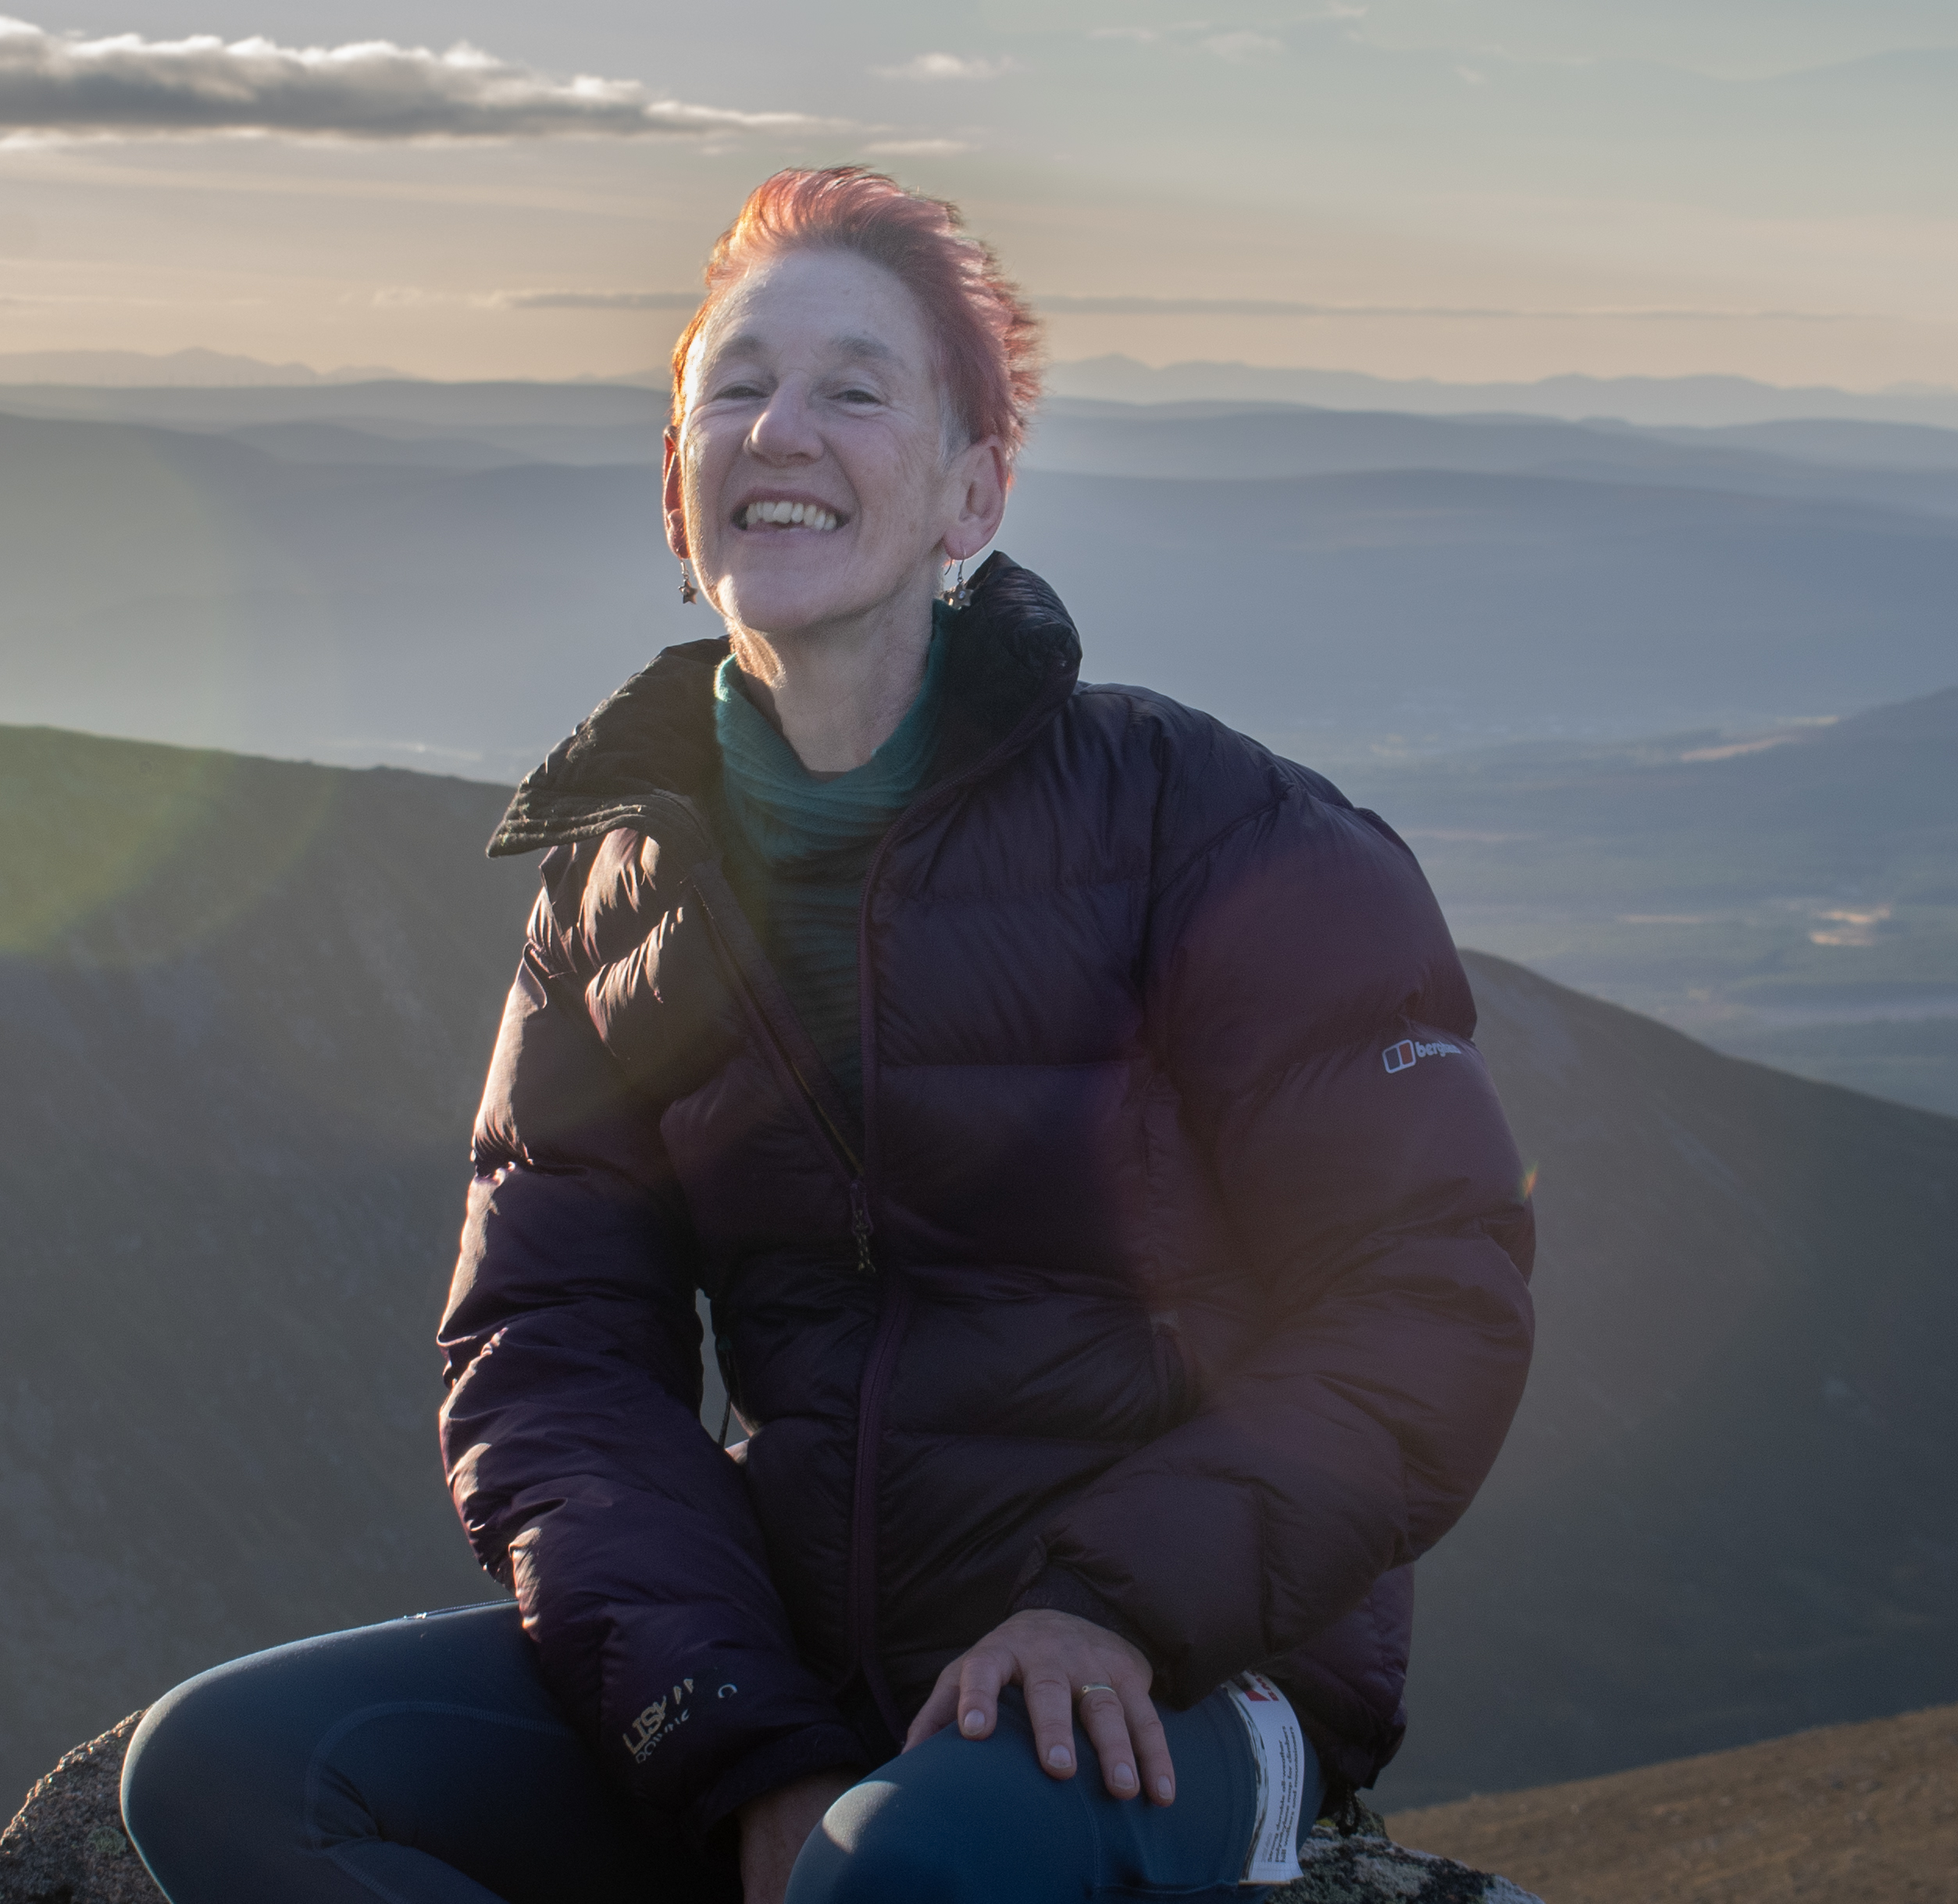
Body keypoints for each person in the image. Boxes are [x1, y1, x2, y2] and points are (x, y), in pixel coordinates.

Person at [119, 166, 1536, 1904]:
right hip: (793, 1650)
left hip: (1165, 1670)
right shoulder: (617, 892)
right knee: (233, 1771)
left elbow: (1427, 1293)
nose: (780, 428)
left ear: (972, 488)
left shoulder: (1220, 831)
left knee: (908, 1870)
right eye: (734, 385)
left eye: (855, 389)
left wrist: (1107, 1605)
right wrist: (733, 1733)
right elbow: (548, 1347)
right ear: (673, 489)